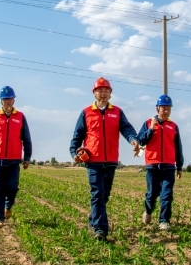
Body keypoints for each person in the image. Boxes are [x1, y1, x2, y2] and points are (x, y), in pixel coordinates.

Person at [70, 77, 140, 240]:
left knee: (104, 195)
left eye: (106, 91)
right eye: (100, 91)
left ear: (110, 93)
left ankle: (93, 219)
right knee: (97, 194)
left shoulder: (117, 112)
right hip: (93, 161)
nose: (103, 94)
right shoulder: (86, 112)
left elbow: (127, 129)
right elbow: (77, 136)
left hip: (111, 161)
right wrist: (74, 153)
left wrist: (133, 140)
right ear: (94, 93)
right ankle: (100, 229)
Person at [0, 85, 32, 228]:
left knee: (12, 188)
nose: (7, 102)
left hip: (14, 160)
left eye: (10, 99)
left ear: (14, 100)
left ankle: (8, 205)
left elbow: (26, 138)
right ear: (1, 101)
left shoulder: (20, 117)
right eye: (5, 99)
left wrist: (27, 157)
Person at [137, 94, 184, 231]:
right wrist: (151, 129)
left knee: (166, 195)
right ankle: (148, 211)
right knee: (152, 194)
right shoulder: (148, 123)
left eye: (169, 109)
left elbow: (178, 147)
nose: (166, 111)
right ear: (157, 108)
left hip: (169, 166)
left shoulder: (173, 126)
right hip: (152, 165)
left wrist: (179, 166)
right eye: (163, 108)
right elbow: (140, 141)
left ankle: (164, 221)